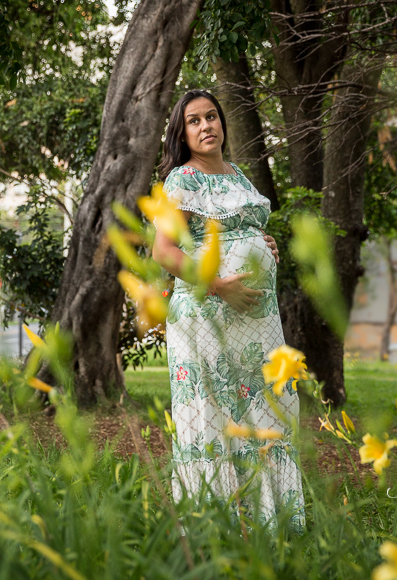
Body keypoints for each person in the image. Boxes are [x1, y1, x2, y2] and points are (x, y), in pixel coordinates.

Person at [150, 89, 305, 530]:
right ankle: (217, 527)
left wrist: (263, 244)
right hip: (208, 315)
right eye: (194, 121)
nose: (206, 126)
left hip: (257, 321)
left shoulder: (237, 175)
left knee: (265, 407)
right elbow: (164, 252)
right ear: (182, 133)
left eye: (212, 117)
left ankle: (273, 522)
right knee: (214, 414)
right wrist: (217, 285)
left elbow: (245, 229)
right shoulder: (181, 180)